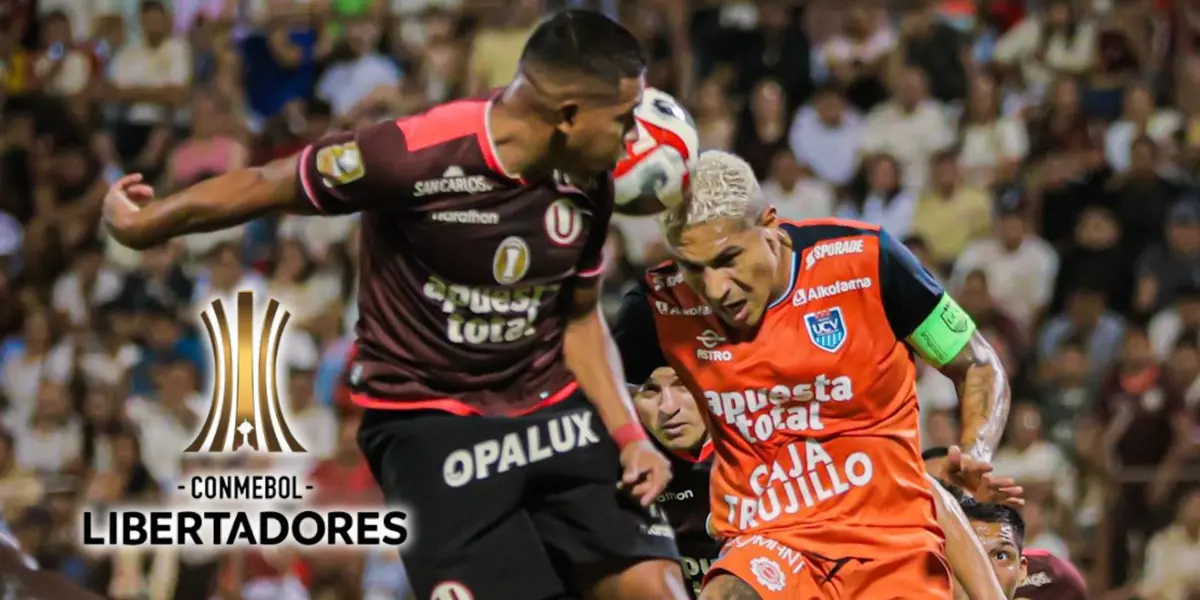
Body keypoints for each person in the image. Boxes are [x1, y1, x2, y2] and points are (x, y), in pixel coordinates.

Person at [101, 10, 689, 600]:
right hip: (429, 425)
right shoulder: (414, 153)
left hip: (549, 408)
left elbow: (580, 320)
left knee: (659, 589)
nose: (636, 137)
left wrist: (629, 434)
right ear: (567, 117)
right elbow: (267, 182)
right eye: (624, 118)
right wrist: (147, 223)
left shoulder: (590, 179)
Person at [613, 150, 1012, 599]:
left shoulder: (868, 262)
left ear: (769, 225)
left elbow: (977, 363)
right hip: (768, 539)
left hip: (888, 540)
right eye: (693, 268)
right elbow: (589, 387)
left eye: (728, 259)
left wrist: (976, 447)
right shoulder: (661, 305)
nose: (715, 289)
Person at [631, 367, 1010, 599]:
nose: (668, 407)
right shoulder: (620, 467)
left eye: (683, 385)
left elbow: (921, 490)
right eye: (651, 391)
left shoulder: (784, 441)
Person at [944, 491, 1089, 600]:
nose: (987, 569)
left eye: (1001, 556)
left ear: (1022, 570)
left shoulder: (1057, 573)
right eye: (972, 554)